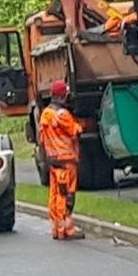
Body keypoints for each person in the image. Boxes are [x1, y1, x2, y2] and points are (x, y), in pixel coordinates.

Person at [38, 80, 84, 240]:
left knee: (55, 194)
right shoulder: (62, 115)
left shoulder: (45, 114)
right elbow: (76, 131)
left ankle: (57, 228)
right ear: (63, 96)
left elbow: (41, 139)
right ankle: (67, 229)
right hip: (66, 160)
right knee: (67, 195)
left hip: (52, 160)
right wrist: (78, 124)